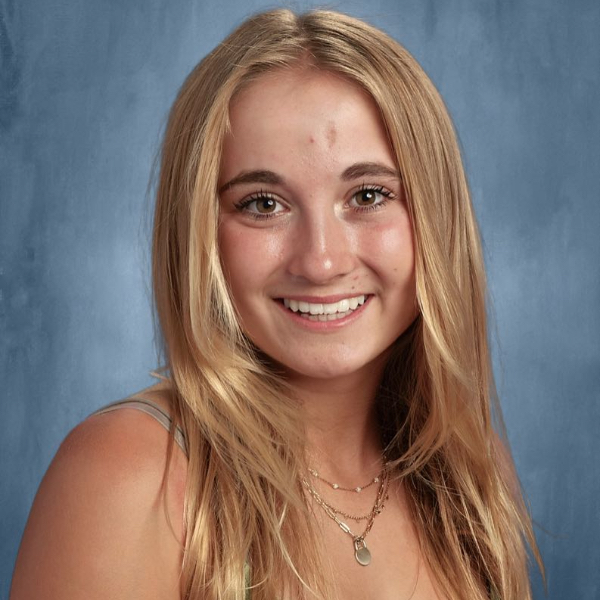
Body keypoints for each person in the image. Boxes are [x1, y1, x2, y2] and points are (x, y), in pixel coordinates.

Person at [10, 8, 543, 600]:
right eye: (263, 204)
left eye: (368, 195)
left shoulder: (469, 476)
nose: (321, 261)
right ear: (199, 232)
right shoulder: (130, 474)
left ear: (437, 216)